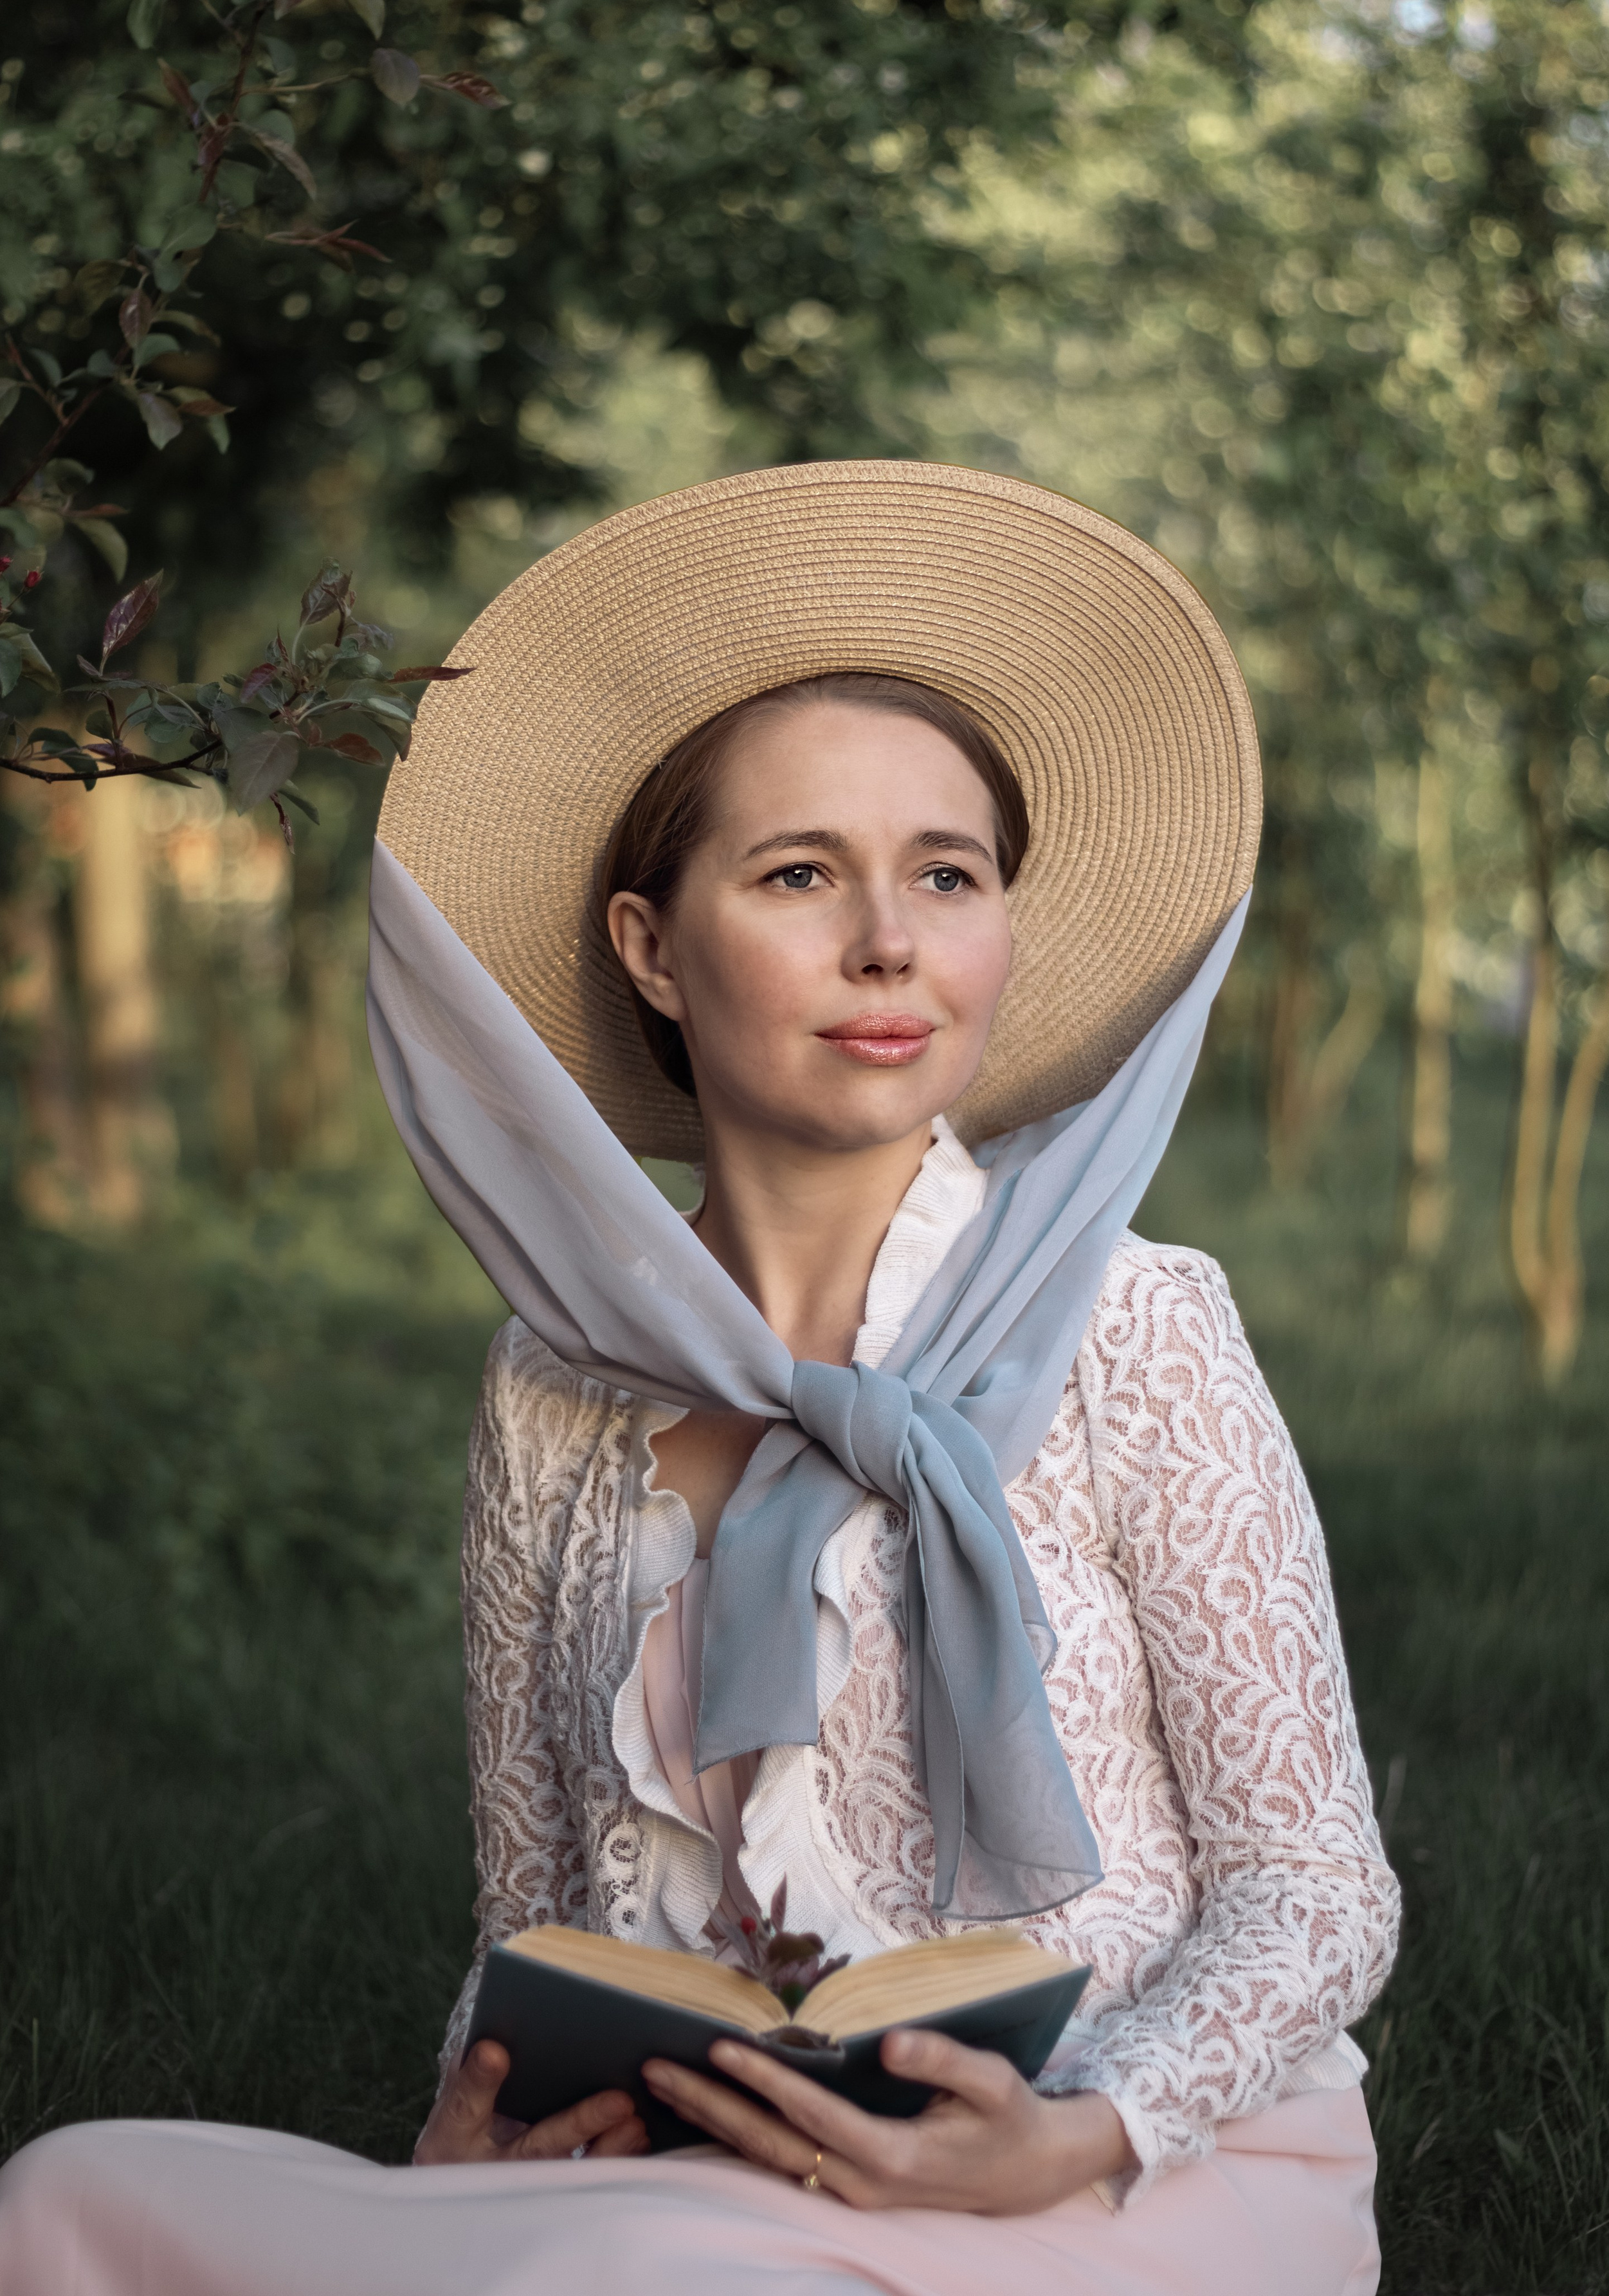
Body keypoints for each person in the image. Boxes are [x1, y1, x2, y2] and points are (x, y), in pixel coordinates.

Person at [0, 461, 1398, 2295]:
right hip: (703, 2159)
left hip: (1108, 2162)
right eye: (801, 872)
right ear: (652, 946)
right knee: (65, 2194)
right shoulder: (558, 1382)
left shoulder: (1144, 1325)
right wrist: (470, 2124)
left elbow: (1318, 1885)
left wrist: (1080, 2119)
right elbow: (535, 1910)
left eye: (948, 875)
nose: (889, 940)